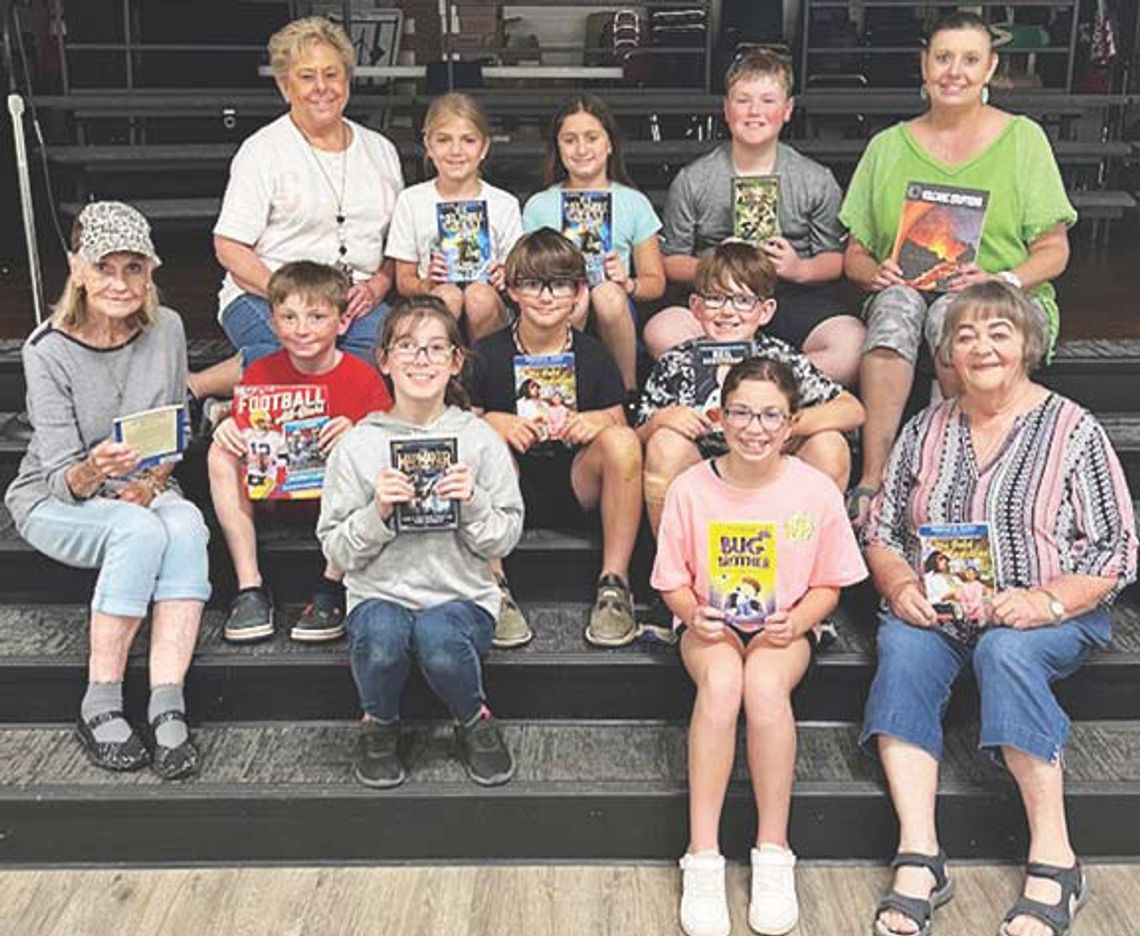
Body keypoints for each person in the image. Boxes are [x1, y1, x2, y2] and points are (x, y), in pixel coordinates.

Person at [860, 282, 1136, 936]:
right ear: (947, 355)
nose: (981, 347)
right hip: (941, 610)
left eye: (998, 333)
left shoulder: (1073, 429)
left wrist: (1044, 601)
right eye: (965, 335)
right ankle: (920, 854)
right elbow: (882, 532)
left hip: (1045, 613)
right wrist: (900, 586)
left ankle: (1055, 858)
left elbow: (1117, 549)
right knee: (901, 645)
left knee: (1005, 651)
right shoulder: (925, 429)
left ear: (1027, 346)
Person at [652, 357, 867, 936]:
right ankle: (702, 855)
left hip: (786, 627)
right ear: (720, 416)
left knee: (766, 687)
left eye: (771, 415)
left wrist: (798, 621)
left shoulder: (814, 488)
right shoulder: (691, 488)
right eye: (742, 412)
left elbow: (830, 582)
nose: (755, 427)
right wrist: (693, 613)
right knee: (722, 683)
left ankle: (773, 850)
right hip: (708, 625)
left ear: (792, 421)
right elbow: (671, 578)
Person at [840, 11, 1077, 528]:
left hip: (1001, 297)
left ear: (990, 69)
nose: (955, 71)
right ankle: (873, 480)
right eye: (943, 58)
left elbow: (1054, 251)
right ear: (924, 67)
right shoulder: (887, 147)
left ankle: (950, 471)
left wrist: (1004, 279)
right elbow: (854, 254)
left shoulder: (1023, 139)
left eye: (970, 60)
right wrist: (872, 273)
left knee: (956, 315)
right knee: (896, 307)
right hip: (908, 289)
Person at [5, 202, 210, 780]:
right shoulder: (46, 350)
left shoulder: (166, 327)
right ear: (78, 270)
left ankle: (167, 700)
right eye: (105, 268)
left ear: (150, 272)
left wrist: (149, 481)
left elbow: (178, 429)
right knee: (140, 531)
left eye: (134, 268)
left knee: (188, 526)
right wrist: (95, 471)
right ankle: (100, 701)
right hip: (58, 497)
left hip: (139, 487)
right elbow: (59, 477)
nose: (120, 283)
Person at [317, 296, 524, 788]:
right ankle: (379, 725)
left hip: (461, 596)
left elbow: (507, 535)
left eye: (435, 348)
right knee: (384, 640)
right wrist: (378, 513)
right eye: (406, 347)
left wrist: (472, 502)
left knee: (438, 638)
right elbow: (336, 550)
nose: (421, 360)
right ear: (384, 360)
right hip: (379, 594)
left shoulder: (479, 439)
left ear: (456, 361)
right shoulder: (358, 445)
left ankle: (475, 719)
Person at [189, 15, 404, 400]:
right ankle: (198, 388)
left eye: (331, 74)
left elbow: (398, 244)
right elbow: (229, 245)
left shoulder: (381, 150)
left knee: (388, 357)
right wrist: (287, 297)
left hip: (354, 304)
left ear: (347, 80)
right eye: (307, 77)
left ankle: (228, 401)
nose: (322, 88)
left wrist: (378, 284)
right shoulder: (262, 151)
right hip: (266, 294)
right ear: (285, 86)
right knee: (299, 362)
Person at [468, 229, 643, 649]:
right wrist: (494, 421)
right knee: (478, 440)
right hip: (509, 484)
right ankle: (494, 586)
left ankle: (614, 585)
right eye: (532, 284)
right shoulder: (487, 354)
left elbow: (620, 423)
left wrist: (597, 420)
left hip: (574, 480)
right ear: (511, 291)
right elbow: (460, 427)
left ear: (578, 292)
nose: (546, 297)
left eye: (559, 284)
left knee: (621, 441)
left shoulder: (594, 354)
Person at [646, 48, 865, 386]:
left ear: (787, 109)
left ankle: (750, 380)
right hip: (715, 299)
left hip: (789, 295)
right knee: (662, 330)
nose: (754, 112)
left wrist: (799, 268)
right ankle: (761, 378)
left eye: (767, 101)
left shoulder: (814, 178)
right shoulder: (695, 178)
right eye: (743, 100)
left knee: (852, 343)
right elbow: (671, 260)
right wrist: (716, 266)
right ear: (726, 108)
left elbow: (835, 260)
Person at [208, 261, 392, 644]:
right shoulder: (260, 372)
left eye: (316, 316)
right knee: (217, 453)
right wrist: (230, 429)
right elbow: (250, 437)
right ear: (273, 325)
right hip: (273, 496)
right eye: (288, 317)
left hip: (339, 507)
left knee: (364, 448)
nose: (302, 328)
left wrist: (360, 433)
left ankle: (331, 588)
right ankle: (250, 590)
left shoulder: (363, 376)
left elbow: (390, 442)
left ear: (343, 323)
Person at [637, 242, 864, 540]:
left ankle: (805, 560)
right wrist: (661, 420)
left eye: (743, 300)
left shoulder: (780, 358)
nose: (729, 311)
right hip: (708, 473)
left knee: (829, 444)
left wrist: (788, 423)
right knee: (664, 444)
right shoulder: (677, 362)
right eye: (715, 298)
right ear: (695, 307)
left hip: (773, 468)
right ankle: (676, 565)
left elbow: (853, 410)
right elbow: (637, 434)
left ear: (766, 310)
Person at [522, 94, 666, 391]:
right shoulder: (539, 205)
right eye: (570, 140)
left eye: (592, 137)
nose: (582, 149)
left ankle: (627, 393)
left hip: (616, 306)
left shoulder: (633, 202)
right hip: (556, 301)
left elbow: (656, 283)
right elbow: (525, 274)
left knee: (606, 295)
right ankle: (557, 389)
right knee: (573, 298)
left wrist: (628, 284)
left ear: (609, 144)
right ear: (558, 148)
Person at [385, 93, 523, 340]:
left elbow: (516, 275)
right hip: (432, 305)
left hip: (489, 304)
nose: (456, 151)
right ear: (428, 145)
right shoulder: (412, 200)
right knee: (447, 295)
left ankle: (485, 375)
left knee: (478, 296)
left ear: (484, 148)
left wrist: (504, 278)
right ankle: (440, 374)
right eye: (444, 140)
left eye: (468, 140)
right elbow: (403, 280)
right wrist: (425, 284)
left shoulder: (504, 204)